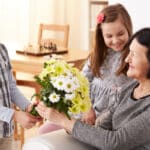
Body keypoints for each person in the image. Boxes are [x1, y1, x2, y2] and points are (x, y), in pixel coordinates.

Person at [24, 27, 150, 150]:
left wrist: (63, 120)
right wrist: (54, 111)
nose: (127, 59)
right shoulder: (129, 89)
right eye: (129, 52)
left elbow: (115, 142)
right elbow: (101, 126)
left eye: (134, 54)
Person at [38, 3, 133, 134]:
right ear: (102, 36)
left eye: (120, 34)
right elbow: (81, 82)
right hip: (83, 111)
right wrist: (87, 109)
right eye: (109, 36)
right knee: (44, 131)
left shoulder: (133, 56)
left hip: (105, 121)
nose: (115, 40)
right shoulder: (98, 55)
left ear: (128, 28)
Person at [0, 43, 41, 150]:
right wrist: (15, 115)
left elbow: (11, 87)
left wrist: (28, 106)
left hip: (5, 130)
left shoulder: (2, 49)